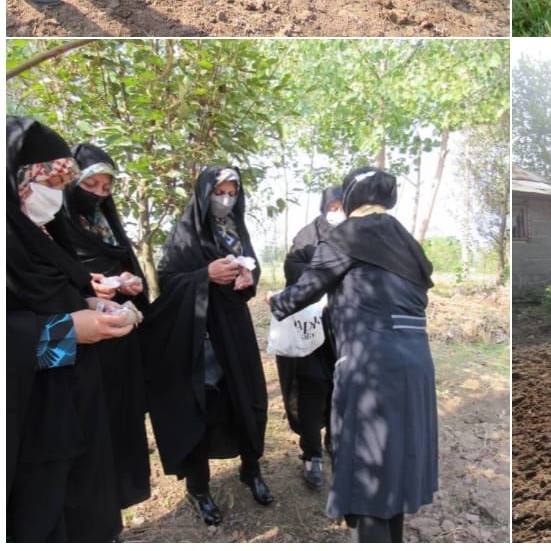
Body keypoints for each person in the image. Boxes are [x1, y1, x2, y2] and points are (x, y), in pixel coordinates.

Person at [269, 167, 438, 543]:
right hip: (416, 363)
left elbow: (302, 293)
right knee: (396, 460)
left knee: (370, 471)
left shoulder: (346, 236)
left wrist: (274, 301)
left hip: (372, 363)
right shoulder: (407, 241)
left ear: (350, 199)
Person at [7, 116, 134, 542]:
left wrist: (89, 303)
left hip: (75, 407)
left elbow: (54, 292)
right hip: (29, 420)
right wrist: (66, 331)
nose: (58, 197)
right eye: (52, 184)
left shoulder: (40, 234)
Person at [142, 166, 273, 526]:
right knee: (201, 406)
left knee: (247, 400)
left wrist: (249, 277)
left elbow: (251, 272)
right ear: (204, 194)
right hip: (200, 335)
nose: (226, 199)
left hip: (236, 330)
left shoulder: (236, 227)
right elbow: (168, 281)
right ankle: (199, 489)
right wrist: (205, 276)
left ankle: (251, 469)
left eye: (233, 192)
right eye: (219, 193)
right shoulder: (185, 234)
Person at [59, 142, 151, 509]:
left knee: (122, 424)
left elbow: (132, 272)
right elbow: (58, 283)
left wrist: (132, 284)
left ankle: (118, 504)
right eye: (90, 185)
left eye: (105, 188)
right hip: (83, 345)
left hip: (121, 341)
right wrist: (86, 286)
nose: (98, 195)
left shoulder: (109, 226)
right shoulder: (58, 228)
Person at [275, 185, 345, 491]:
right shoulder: (307, 235)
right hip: (310, 328)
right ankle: (311, 454)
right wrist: (326, 276)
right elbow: (293, 268)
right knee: (312, 391)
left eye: (343, 205)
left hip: (344, 331)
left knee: (340, 390)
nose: (337, 211)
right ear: (323, 206)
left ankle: (335, 444)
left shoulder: (356, 235)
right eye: (332, 206)